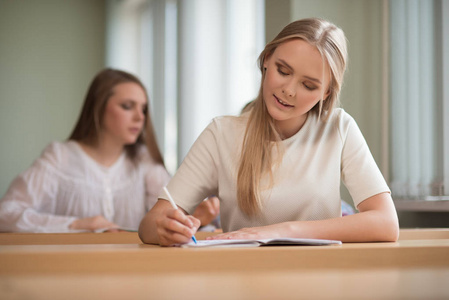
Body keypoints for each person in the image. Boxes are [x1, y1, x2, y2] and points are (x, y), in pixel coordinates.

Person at [138, 18, 399, 246]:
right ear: (266, 60)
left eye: (309, 85)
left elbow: (386, 223)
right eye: (283, 71)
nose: (289, 91)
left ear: (326, 93)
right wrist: (165, 229)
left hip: (320, 278)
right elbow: (149, 224)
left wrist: (284, 231)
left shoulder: (338, 128)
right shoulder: (221, 133)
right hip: (241, 279)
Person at [0, 68, 219, 233]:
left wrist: (192, 218)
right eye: (127, 106)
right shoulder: (60, 157)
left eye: (143, 109)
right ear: (98, 108)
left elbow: (168, 218)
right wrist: (77, 224)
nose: (140, 117)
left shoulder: (144, 162)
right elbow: (6, 214)